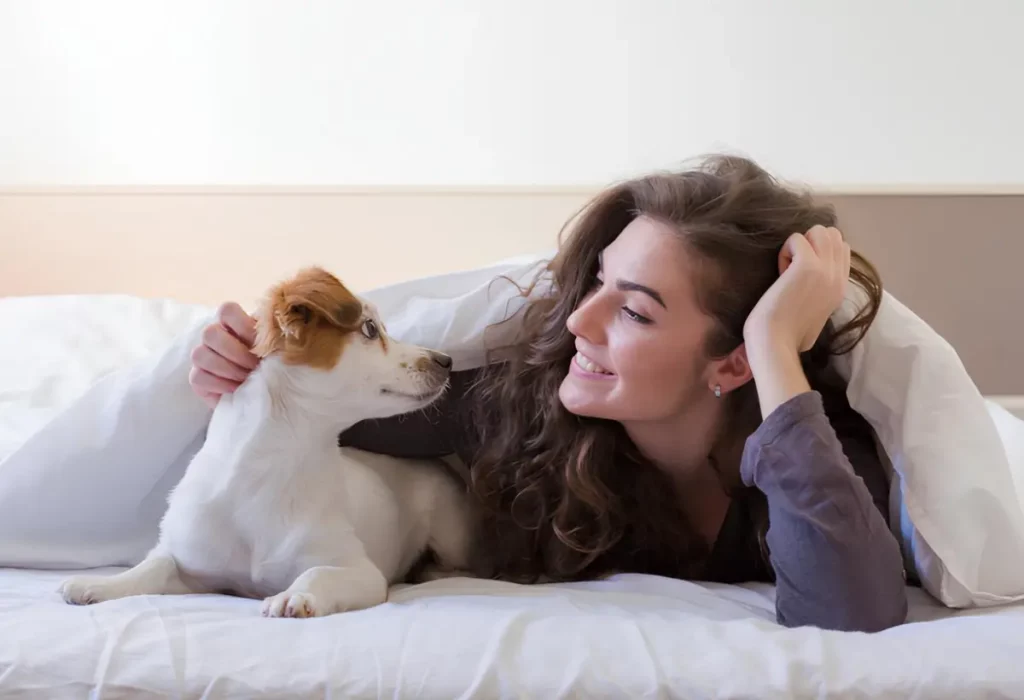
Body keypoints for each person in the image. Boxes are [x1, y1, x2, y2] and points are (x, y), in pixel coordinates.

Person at [188, 155, 909, 632]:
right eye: (597, 279)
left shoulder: (816, 453)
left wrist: (776, 348)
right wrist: (249, 366)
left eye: (633, 310)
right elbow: (320, 408)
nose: (578, 321)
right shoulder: (520, 405)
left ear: (731, 363)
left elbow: (853, 612)